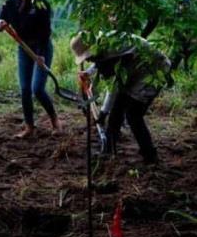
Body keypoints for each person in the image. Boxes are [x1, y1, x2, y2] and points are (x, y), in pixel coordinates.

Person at [71, 30, 171, 164]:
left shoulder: (113, 49)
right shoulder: (104, 45)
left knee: (133, 115)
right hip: (134, 68)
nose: (87, 59)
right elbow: (101, 61)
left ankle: (150, 156)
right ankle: (109, 146)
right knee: (118, 107)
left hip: (153, 69)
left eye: (87, 56)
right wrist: (89, 72)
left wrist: (103, 112)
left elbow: (115, 85)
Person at [0, 0, 61, 138]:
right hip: (23, 48)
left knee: (37, 88)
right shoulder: (10, 4)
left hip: (41, 48)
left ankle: (55, 120)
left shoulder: (40, 3)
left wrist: (41, 55)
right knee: (25, 89)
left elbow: (46, 32)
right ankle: (29, 126)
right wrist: (0, 23)